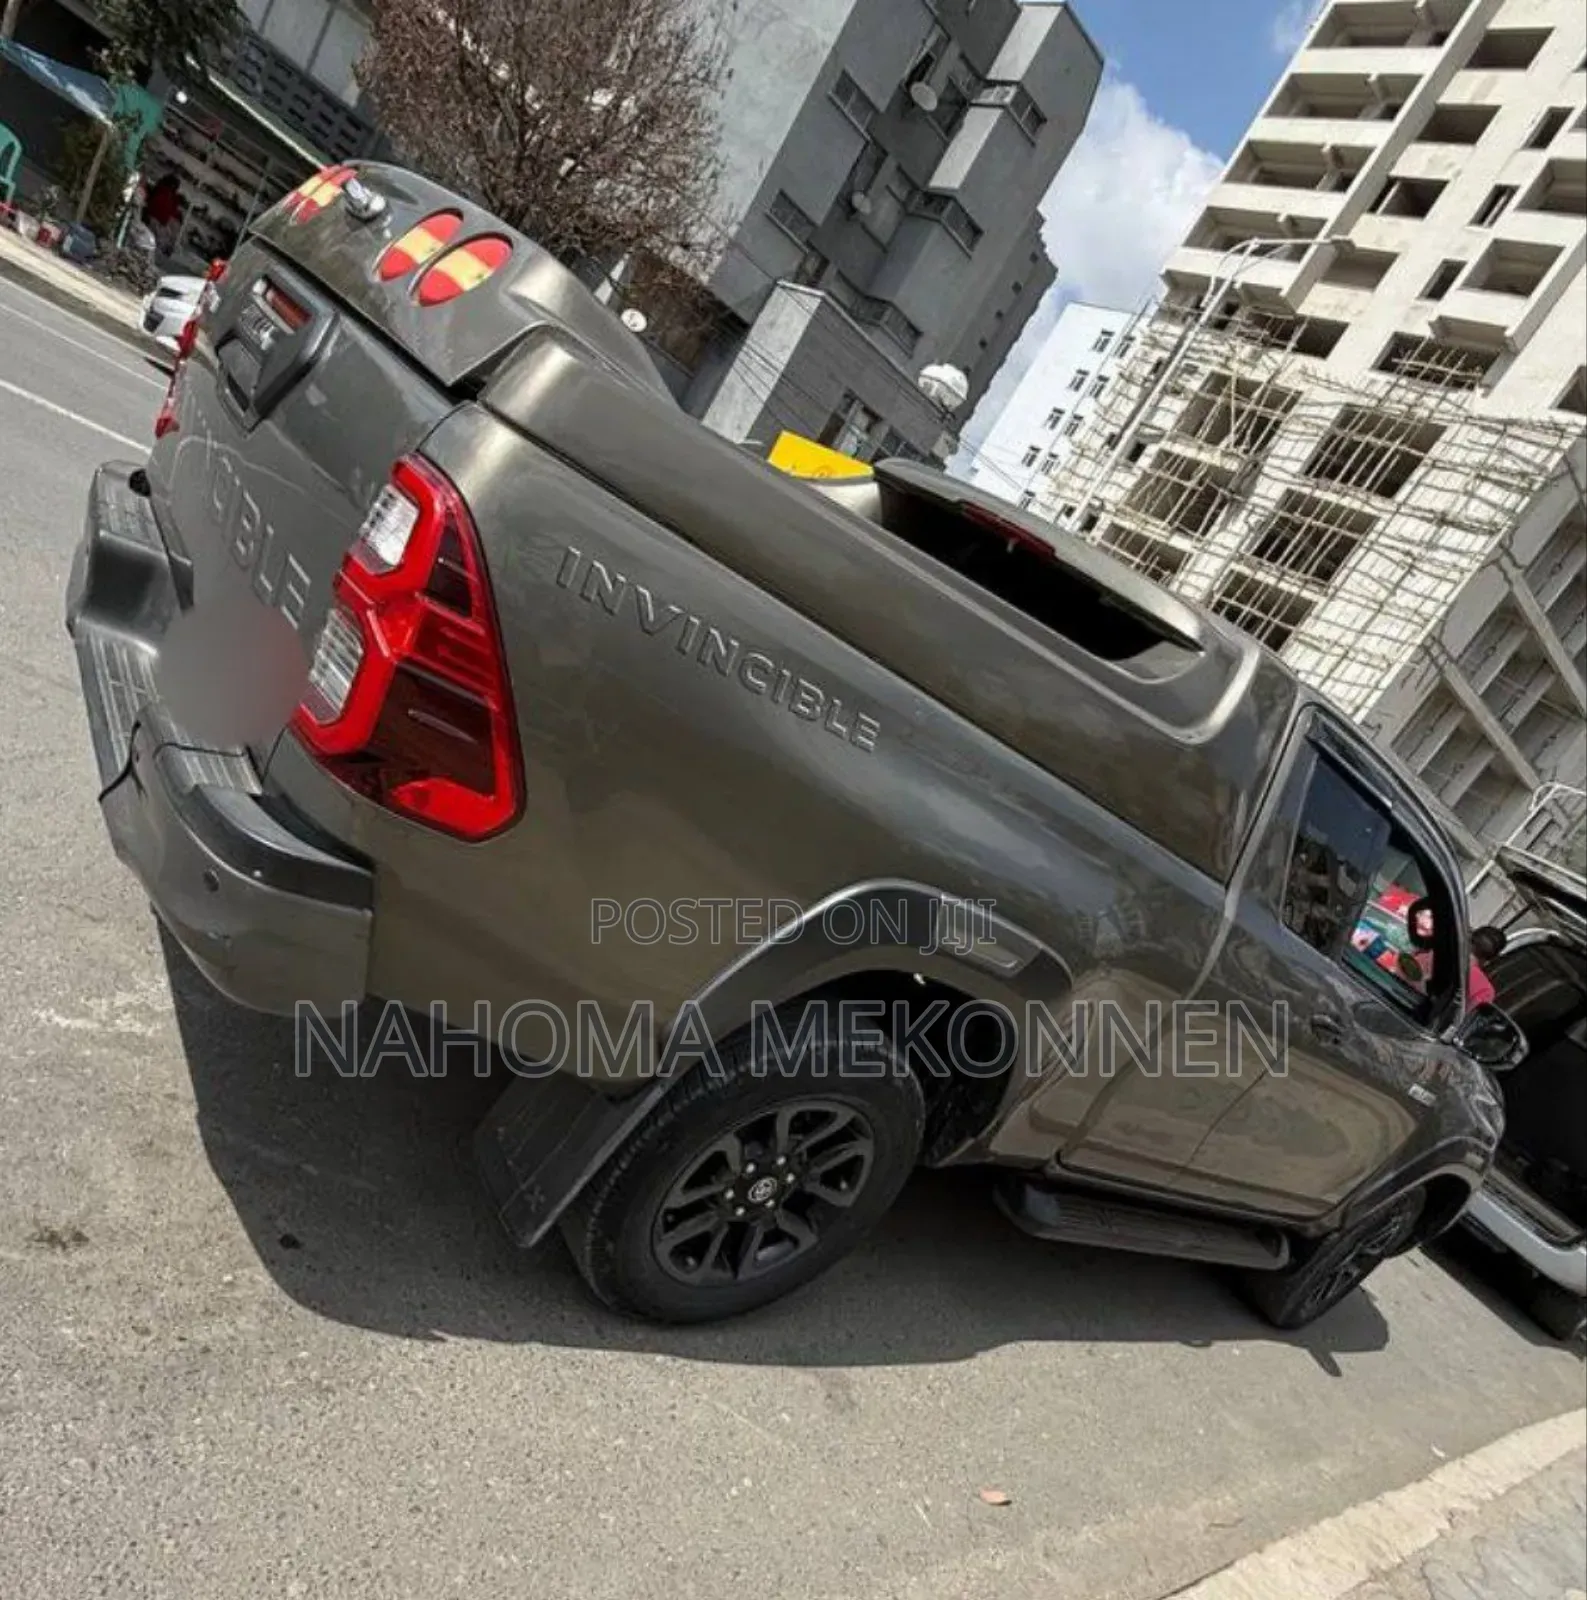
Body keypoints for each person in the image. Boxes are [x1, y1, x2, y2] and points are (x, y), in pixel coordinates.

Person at [1468, 925, 1507, 1008]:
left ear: (1470, 936)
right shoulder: (1484, 990)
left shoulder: (1440, 947)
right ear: (1493, 958)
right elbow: (1468, 1018)